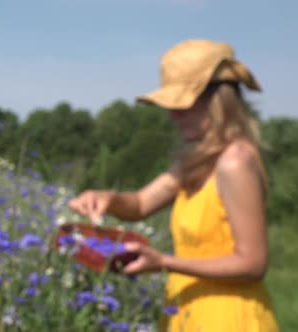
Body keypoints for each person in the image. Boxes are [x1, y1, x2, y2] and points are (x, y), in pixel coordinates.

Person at [68, 39, 280, 332]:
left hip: (227, 317)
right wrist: (106, 198)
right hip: (187, 310)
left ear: (218, 102)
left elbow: (252, 264)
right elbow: (141, 204)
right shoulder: (196, 162)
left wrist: (164, 262)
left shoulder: (235, 162)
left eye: (181, 105)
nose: (172, 116)